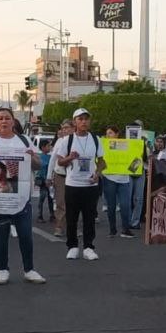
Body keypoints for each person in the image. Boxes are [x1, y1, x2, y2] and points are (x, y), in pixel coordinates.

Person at [0, 107, 46, 285]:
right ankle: (2, 269)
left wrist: (31, 157)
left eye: (7, 118)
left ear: (13, 121)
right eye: (0, 118)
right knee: (1, 233)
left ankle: (29, 269)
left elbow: (38, 165)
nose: (4, 121)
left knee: (25, 234)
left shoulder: (24, 140)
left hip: (21, 196)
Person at [54, 108, 105, 260]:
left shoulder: (96, 140)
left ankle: (89, 247)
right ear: (74, 121)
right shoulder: (67, 140)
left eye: (86, 119)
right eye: (80, 119)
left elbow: (102, 162)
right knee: (72, 217)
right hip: (72, 184)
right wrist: (70, 157)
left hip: (90, 185)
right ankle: (72, 246)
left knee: (89, 218)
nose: (83, 122)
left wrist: (98, 174)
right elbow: (60, 162)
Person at [101, 126, 135, 239]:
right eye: (107, 133)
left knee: (125, 205)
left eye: (110, 133)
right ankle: (112, 229)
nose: (108, 135)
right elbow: (100, 159)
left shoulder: (125, 145)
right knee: (111, 205)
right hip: (109, 177)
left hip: (124, 179)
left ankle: (126, 229)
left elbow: (135, 157)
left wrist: (133, 170)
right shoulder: (104, 145)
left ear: (117, 134)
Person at [50, 119, 72, 237]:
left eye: (67, 127)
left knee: (73, 203)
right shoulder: (60, 141)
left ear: (73, 128)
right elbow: (53, 160)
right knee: (61, 202)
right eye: (63, 128)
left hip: (74, 176)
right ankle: (59, 226)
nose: (64, 130)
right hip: (61, 175)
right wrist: (49, 176)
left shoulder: (78, 141)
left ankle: (71, 227)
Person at [36, 139, 54, 221]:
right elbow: (40, 167)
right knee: (42, 197)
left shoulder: (51, 156)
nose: (50, 147)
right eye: (48, 146)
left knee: (51, 198)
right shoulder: (39, 156)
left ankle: (52, 215)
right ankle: (40, 215)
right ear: (43, 147)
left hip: (50, 180)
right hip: (42, 180)